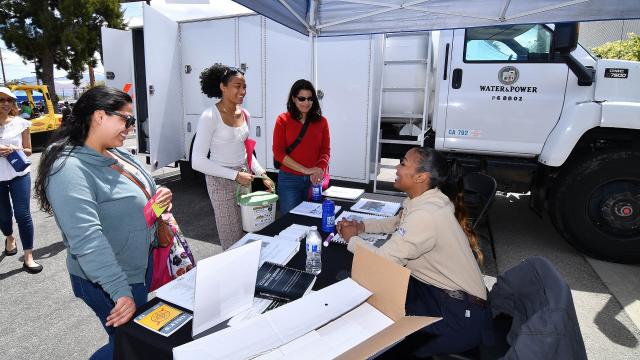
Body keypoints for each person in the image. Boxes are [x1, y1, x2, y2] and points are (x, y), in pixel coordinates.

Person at [33, 86, 173, 360]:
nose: (130, 127)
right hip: (110, 281)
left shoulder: (115, 152)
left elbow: (142, 194)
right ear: (99, 116)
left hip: (136, 268)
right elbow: (87, 240)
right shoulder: (68, 169)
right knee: (131, 347)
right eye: (126, 119)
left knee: (133, 344)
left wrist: (159, 200)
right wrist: (120, 291)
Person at [337, 147, 491, 358]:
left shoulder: (426, 215)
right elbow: (396, 223)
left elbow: (382, 261)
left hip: (459, 316)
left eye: (402, 163)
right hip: (440, 295)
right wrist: (361, 227)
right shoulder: (426, 200)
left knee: (384, 343)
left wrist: (351, 239)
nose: (397, 168)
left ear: (421, 177)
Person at [192, 64, 274, 250]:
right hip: (220, 181)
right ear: (223, 86)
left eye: (244, 86)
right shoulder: (209, 116)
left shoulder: (245, 114)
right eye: (238, 86)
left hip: (244, 177)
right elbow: (197, 161)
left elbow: (247, 152)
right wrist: (235, 176)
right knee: (231, 238)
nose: (243, 91)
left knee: (248, 232)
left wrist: (262, 174)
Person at [272, 79, 330, 215]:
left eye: (310, 99)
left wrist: (319, 169)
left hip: (314, 181)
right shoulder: (283, 120)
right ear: (293, 98)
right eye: (301, 98)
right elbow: (278, 153)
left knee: (311, 220)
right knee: (289, 222)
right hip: (289, 180)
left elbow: (325, 150)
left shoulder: (322, 122)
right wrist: (305, 170)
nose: (306, 103)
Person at [0, 87, 41, 273]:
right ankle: (9, 237)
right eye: (1, 100)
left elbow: (29, 150)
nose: (6, 103)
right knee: (3, 215)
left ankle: (28, 256)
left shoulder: (21, 123)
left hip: (20, 175)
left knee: (23, 215)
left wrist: (13, 150)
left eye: (9, 100)